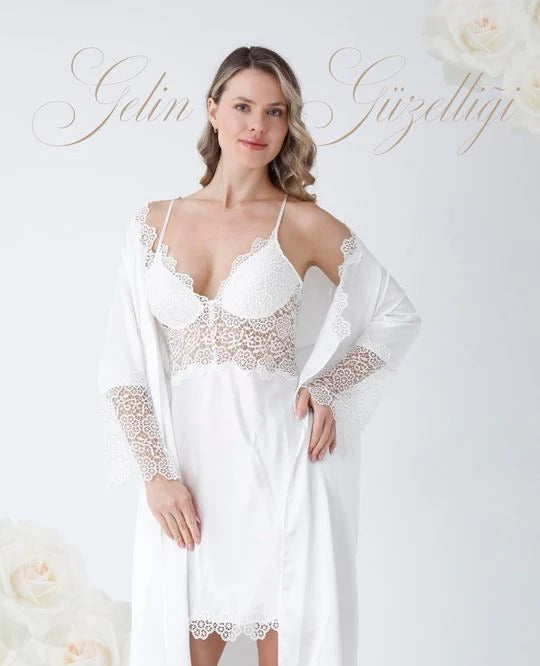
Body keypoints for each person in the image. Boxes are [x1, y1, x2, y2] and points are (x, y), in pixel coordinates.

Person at [97, 45, 422, 666]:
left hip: (283, 470)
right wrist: (157, 476)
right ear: (212, 110)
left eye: (275, 112)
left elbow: (396, 313)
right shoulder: (152, 224)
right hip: (189, 480)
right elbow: (124, 370)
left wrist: (331, 386)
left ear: (288, 124)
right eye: (243, 107)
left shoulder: (301, 223)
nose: (258, 125)